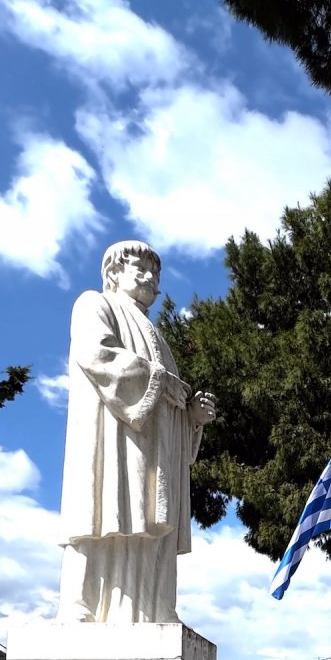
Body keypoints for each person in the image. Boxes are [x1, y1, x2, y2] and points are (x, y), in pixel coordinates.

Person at [56, 241, 216, 624]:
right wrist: (160, 383)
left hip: (150, 452)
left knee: (145, 522)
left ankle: (153, 608)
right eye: (140, 269)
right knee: (99, 513)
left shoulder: (157, 336)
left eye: (155, 273)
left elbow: (170, 400)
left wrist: (192, 417)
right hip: (109, 438)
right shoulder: (94, 304)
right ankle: (80, 604)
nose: (150, 278)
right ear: (114, 272)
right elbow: (98, 355)